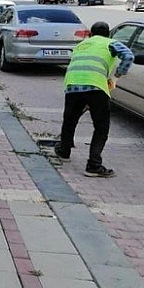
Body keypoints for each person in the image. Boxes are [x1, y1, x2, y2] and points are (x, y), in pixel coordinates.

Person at [54, 21, 134, 177]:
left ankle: (64, 152)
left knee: (69, 120)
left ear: (91, 34)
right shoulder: (110, 42)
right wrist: (118, 74)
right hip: (96, 87)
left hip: (72, 85)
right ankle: (94, 165)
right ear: (108, 34)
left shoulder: (81, 45)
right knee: (101, 127)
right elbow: (129, 56)